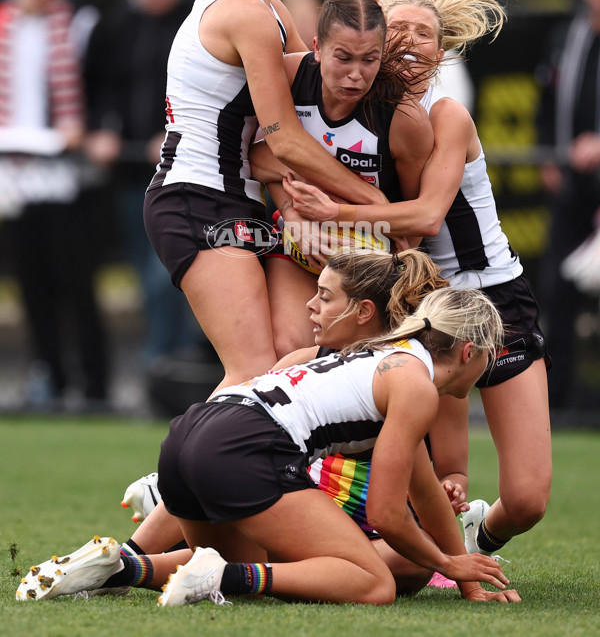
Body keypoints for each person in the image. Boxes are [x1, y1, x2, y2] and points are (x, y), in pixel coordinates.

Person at [17, 254, 520, 606]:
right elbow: (387, 513)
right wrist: (450, 566)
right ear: (469, 352)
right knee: (373, 583)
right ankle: (210, 574)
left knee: (244, 565)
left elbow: (424, 489)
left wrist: (467, 582)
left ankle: (118, 566)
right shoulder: (415, 384)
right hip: (243, 447)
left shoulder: (377, 357)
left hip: (189, 435)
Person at [282, 0, 552, 559]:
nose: (408, 41)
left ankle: (475, 541)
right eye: (396, 28)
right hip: (424, 302)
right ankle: (228, 471)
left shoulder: (448, 114)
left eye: (423, 33)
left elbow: (427, 215)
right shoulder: (368, 109)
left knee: (528, 499)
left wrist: (334, 212)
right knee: (441, 472)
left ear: (442, 50)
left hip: (492, 295)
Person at [143, 0, 386, 390]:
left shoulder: (270, 7)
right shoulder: (245, 13)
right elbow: (287, 140)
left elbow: (316, 105)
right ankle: (182, 451)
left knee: (293, 357)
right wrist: (377, 205)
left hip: (241, 198)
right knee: (252, 373)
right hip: (196, 198)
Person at [250, 0, 433, 357]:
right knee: (287, 348)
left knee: (350, 361)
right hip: (300, 244)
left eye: (369, 60)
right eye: (343, 57)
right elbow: (257, 158)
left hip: (370, 258)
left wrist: (349, 227)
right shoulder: (289, 75)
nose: (355, 74)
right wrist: (294, 216)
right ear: (317, 48)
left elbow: (410, 224)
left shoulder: (405, 118)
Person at [0, 0, 111, 410]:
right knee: (31, 284)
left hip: (66, 172)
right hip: (13, 175)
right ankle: (50, 378)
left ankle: (95, 385)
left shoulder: (80, 26)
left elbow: (101, 88)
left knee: (76, 282)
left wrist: (93, 129)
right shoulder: (4, 26)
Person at [83, 0, 204, 369]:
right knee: (142, 268)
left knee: (169, 269)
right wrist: (102, 130)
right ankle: (163, 357)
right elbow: (98, 88)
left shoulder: (195, 24)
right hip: (132, 171)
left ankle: (169, 357)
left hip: (184, 171)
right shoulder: (115, 25)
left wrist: (173, 134)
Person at [535, 0, 600, 410]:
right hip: (572, 187)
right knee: (557, 289)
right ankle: (558, 401)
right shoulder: (565, 37)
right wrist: (550, 157)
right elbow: (545, 104)